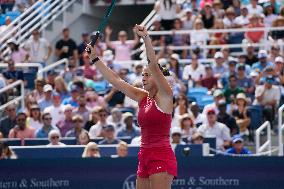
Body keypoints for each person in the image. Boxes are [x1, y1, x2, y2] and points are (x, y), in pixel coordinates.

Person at [86, 24, 177, 188]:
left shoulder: (166, 96)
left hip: (161, 155)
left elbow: (154, 65)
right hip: (144, 155)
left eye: (148, 75)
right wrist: (95, 58)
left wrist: (146, 38)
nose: (143, 78)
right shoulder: (142, 97)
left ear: (158, 78)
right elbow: (116, 80)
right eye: (142, 75)